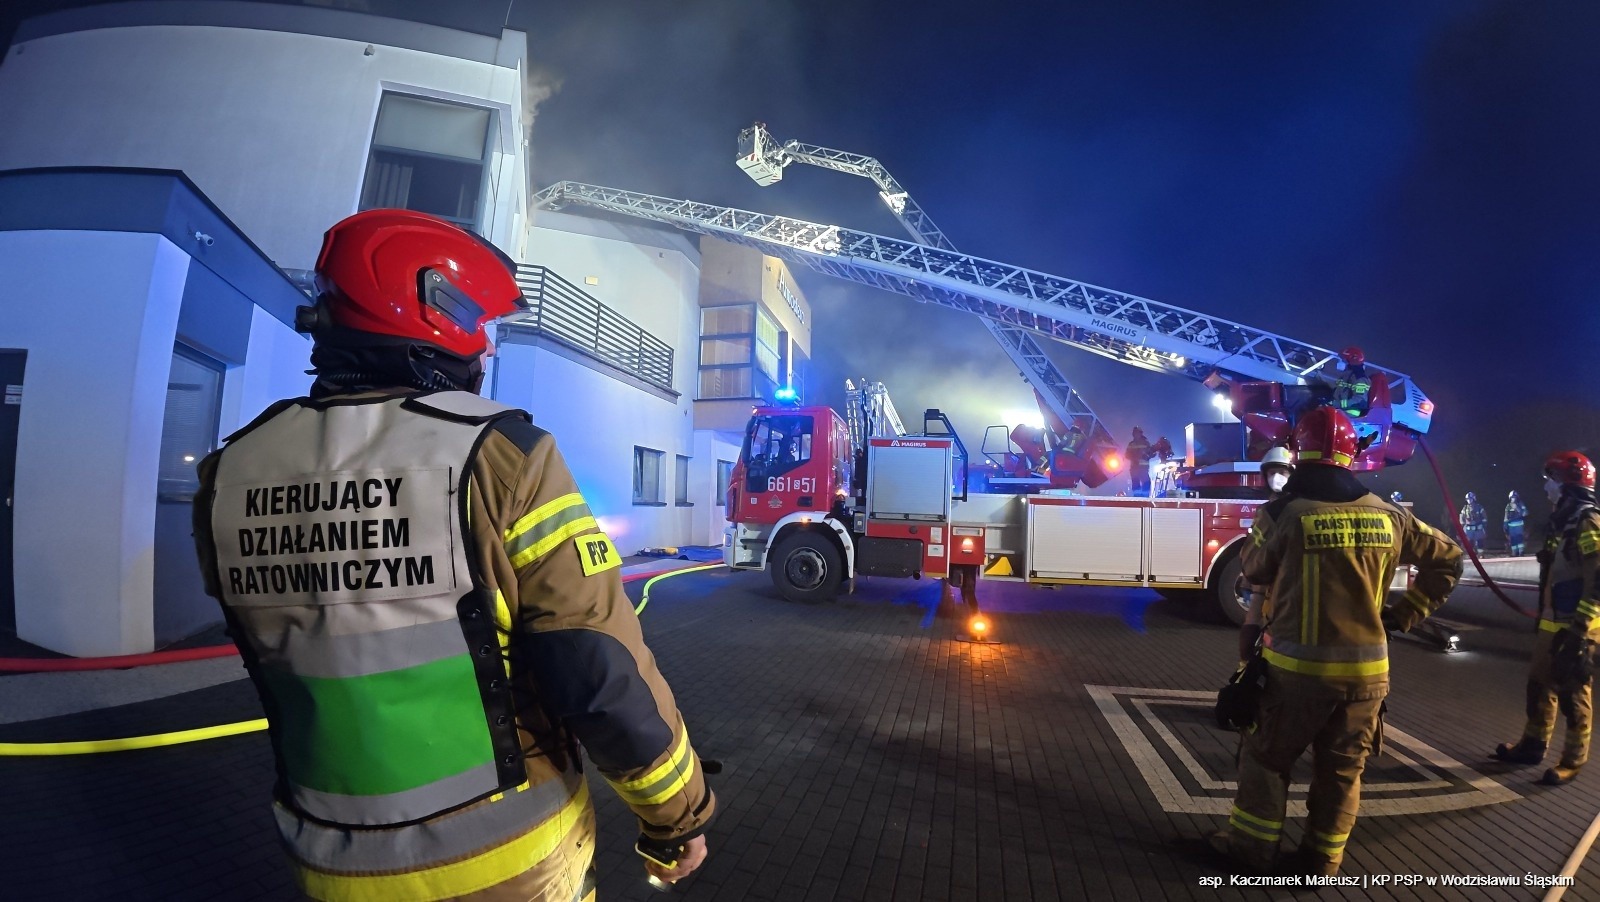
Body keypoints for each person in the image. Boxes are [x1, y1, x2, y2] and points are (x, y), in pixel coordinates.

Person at [191, 210, 715, 901]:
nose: (487, 349)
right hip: (506, 861)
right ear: (430, 309)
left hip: (326, 860)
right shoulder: (501, 456)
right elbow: (597, 667)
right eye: (477, 320)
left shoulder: (229, 472)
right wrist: (676, 817)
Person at [1211, 406, 1463, 876]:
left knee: (1266, 762)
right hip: (1367, 679)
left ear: (1297, 452)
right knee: (1343, 771)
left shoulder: (1283, 513)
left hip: (1295, 677)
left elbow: (1253, 568)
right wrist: (1403, 615)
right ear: (1353, 454)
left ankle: (1251, 853)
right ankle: (1322, 861)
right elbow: (1448, 560)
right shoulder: (1390, 516)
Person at [1491, 451, 1600, 785]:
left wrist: (1579, 631)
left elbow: (1598, 578)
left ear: (1567, 484)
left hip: (1578, 625)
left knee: (1573, 693)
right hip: (1554, 622)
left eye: (1550, 480)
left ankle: (1572, 761)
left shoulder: (1587, 521)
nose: (1545, 487)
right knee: (1539, 684)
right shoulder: (1562, 521)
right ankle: (1532, 746)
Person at [1236, 446, 1295, 662]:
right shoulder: (1267, 509)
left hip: (1282, 586)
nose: (1277, 478)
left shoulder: (1289, 509)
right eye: (1272, 473)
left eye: (1283, 472)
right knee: (1253, 627)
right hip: (1263, 586)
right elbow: (1253, 549)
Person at [1329, 347, 1373, 418]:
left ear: (1351, 361)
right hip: (1341, 410)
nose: (1341, 362)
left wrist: (1336, 404)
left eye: (1343, 360)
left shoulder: (1360, 378)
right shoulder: (1347, 375)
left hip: (1351, 412)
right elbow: (1339, 391)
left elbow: (1358, 400)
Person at [1126, 426, 1154, 495]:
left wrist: (1148, 456)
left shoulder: (1146, 443)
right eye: (1135, 433)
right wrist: (1135, 457)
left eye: (1137, 433)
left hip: (1143, 468)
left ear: (1140, 433)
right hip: (1134, 468)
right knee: (1135, 483)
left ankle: (1145, 497)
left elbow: (1152, 453)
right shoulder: (1131, 444)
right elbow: (1127, 455)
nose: (1136, 434)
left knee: (1146, 482)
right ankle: (1137, 498)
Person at [1505, 490, 1528, 556]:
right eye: (1512, 497)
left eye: (1514, 497)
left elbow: (1525, 513)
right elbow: (1506, 517)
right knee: (1513, 539)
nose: (1513, 499)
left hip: (1519, 524)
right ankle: (1514, 552)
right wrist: (1505, 525)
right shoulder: (1508, 506)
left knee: (1519, 537)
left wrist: (1517, 509)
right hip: (1511, 525)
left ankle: (1521, 551)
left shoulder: (1520, 504)